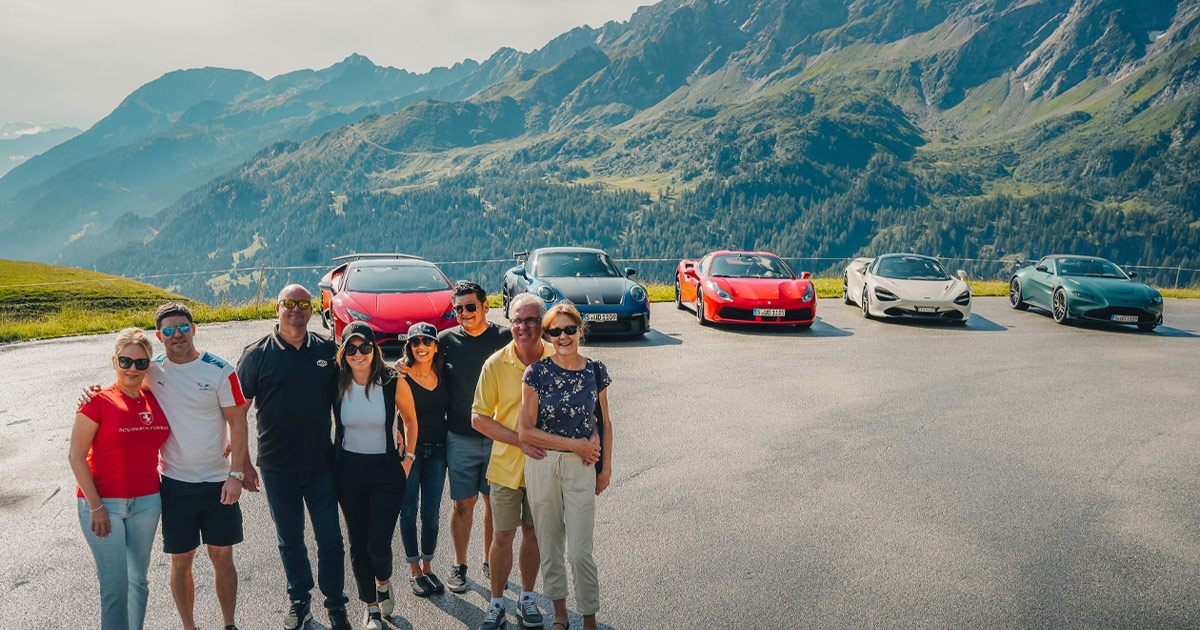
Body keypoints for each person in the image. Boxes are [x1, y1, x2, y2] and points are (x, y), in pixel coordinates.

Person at [237, 284, 352, 630]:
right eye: (289, 303)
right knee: (290, 540)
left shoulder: (328, 350)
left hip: (321, 464)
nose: (296, 309)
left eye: (303, 304)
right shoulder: (256, 355)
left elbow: (355, 389)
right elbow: (237, 412)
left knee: (330, 538)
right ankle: (299, 600)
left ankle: (336, 604)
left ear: (312, 310)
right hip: (276, 467)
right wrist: (242, 463)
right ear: (277, 308)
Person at [151, 303, 252, 630]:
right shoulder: (152, 371)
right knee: (181, 560)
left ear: (193, 329)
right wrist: (91, 395)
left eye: (183, 327)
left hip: (217, 481)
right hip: (175, 483)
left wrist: (236, 474)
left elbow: (238, 422)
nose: (177, 335)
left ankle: (229, 624)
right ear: (159, 336)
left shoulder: (220, 370)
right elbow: (121, 385)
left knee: (222, 556)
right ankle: (189, 627)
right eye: (168, 330)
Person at [518, 302, 613, 630]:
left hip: (581, 466)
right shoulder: (535, 374)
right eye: (555, 331)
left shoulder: (595, 371)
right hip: (543, 464)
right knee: (550, 545)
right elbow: (525, 431)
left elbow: (604, 422)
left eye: (569, 329)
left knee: (580, 552)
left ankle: (589, 619)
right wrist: (576, 445)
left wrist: (605, 468)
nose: (563, 336)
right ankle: (560, 616)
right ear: (547, 335)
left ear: (580, 330)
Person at [68, 327, 170, 630]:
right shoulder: (96, 401)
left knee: (138, 581)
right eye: (125, 361)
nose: (132, 368)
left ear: (148, 365)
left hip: (148, 502)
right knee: (115, 586)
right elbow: (76, 456)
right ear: (115, 362)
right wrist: (96, 506)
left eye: (140, 362)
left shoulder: (156, 398)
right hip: (104, 504)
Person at [471, 293, 554, 630]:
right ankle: (496, 604)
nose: (523, 327)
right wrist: (521, 440)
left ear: (542, 323)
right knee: (502, 536)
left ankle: (527, 598)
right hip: (505, 469)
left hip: (546, 468)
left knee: (534, 535)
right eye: (518, 320)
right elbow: (478, 418)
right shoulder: (495, 364)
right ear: (510, 323)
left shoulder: (558, 359)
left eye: (531, 319)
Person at [333, 321, 417, 630]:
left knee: (378, 545)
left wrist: (408, 459)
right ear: (343, 352)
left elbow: (410, 419)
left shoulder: (392, 381)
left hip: (386, 473)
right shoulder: (336, 382)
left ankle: (383, 582)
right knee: (358, 544)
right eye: (351, 348)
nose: (358, 354)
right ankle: (371, 608)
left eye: (365, 347)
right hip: (348, 472)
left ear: (374, 349)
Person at [436, 281, 512, 592]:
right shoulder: (444, 341)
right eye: (458, 309)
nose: (464, 313)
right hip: (460, 437)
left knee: (494, 502)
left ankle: (490, 560)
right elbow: (424, 374)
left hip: (499, 437)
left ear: (485, 306)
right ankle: (460, 564)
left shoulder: (506, 338)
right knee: (462, 503)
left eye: (470, 306)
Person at [395, 322, 451, 598]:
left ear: (436, 347)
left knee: (431, 513)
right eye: (415, 342)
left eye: (427, 341)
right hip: (410, 453)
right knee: (408, 511)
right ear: (409, 347)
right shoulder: (401, 376)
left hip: (438, 451)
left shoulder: (444, 372)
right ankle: (414, 570)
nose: (421, 347)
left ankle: (428, 566)